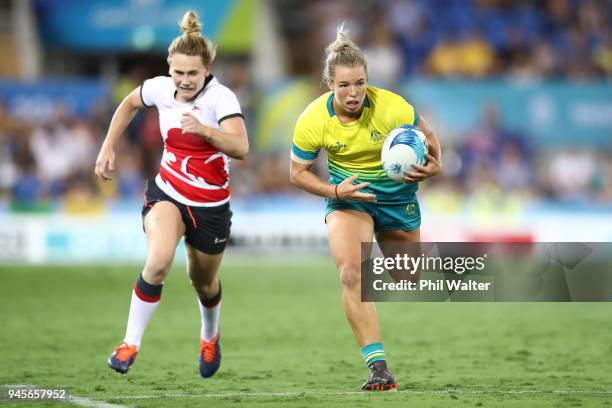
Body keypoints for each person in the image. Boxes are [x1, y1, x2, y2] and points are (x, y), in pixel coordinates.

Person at [94, 10, 248, 377]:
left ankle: (209, 336)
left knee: (204, 282)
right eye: (178, 72)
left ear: (207, 68)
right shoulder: (160, 88)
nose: (184, 80)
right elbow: (130, 103)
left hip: (211, 207)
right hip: (168, 194)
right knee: (158, 261)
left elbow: (241, 147)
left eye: (192, 73)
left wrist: (206, 132)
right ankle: (130, 342)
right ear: (169, 68)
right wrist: (107, 146)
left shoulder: (221, 99)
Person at [289, 25, 441, 391]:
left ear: (368, 80)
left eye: (359, 83)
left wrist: (436, 163)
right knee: (351, 275)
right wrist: (333, 190)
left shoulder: (393, 107)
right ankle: (378, 368)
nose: (353, 92)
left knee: (408, 277)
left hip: (397, 200)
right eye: (343, 85)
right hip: (348, 200)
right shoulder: (313, 120)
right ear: (329, 84)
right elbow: (297, 173)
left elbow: (431, 141)